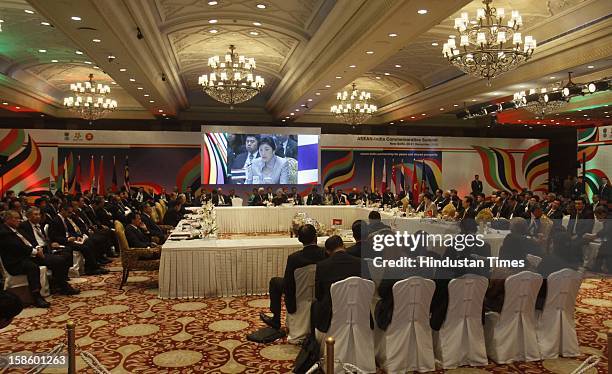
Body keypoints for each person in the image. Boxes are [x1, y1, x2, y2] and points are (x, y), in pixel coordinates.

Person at [260, 224, 325, 330]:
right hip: (320, 293)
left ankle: (276, 319)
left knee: (274, 282)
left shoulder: (294, 258)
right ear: (316, 237)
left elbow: (288, 284)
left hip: (297, 293)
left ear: (299, 239)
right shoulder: (325, 253)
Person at [0, 212, 57, 308]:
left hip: (25, 256)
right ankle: (36, 296)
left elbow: (28, 241)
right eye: (16, 218)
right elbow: (17, 247)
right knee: (32, 267)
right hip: (14, 262)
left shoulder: (15, 229)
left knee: (51, 260)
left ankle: (55, 284)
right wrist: (35, 252)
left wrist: (37, 248)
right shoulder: (4, 232)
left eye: (19, 218)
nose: (19, 220)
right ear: (8, 219)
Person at [311, 235, 364, 333]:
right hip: (358, 308)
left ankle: (314, 340)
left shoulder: (322, 266)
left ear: (327, 251)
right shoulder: (360, 263)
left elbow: (319, 295)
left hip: (332, 310)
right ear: (343, 246)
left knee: (315, 305)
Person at [47, 204, 108, 275]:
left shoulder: (65, 219)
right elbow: (54, 237)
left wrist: (77, 236)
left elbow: (72, 231)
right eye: (68, 212)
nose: (70, 214)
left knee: (89, 243)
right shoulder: (55, 220)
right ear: (62, 210)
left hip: (71, 239)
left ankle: (93, 266)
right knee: (85, 248)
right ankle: (92, 268)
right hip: (62, 242)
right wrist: (67, 239)